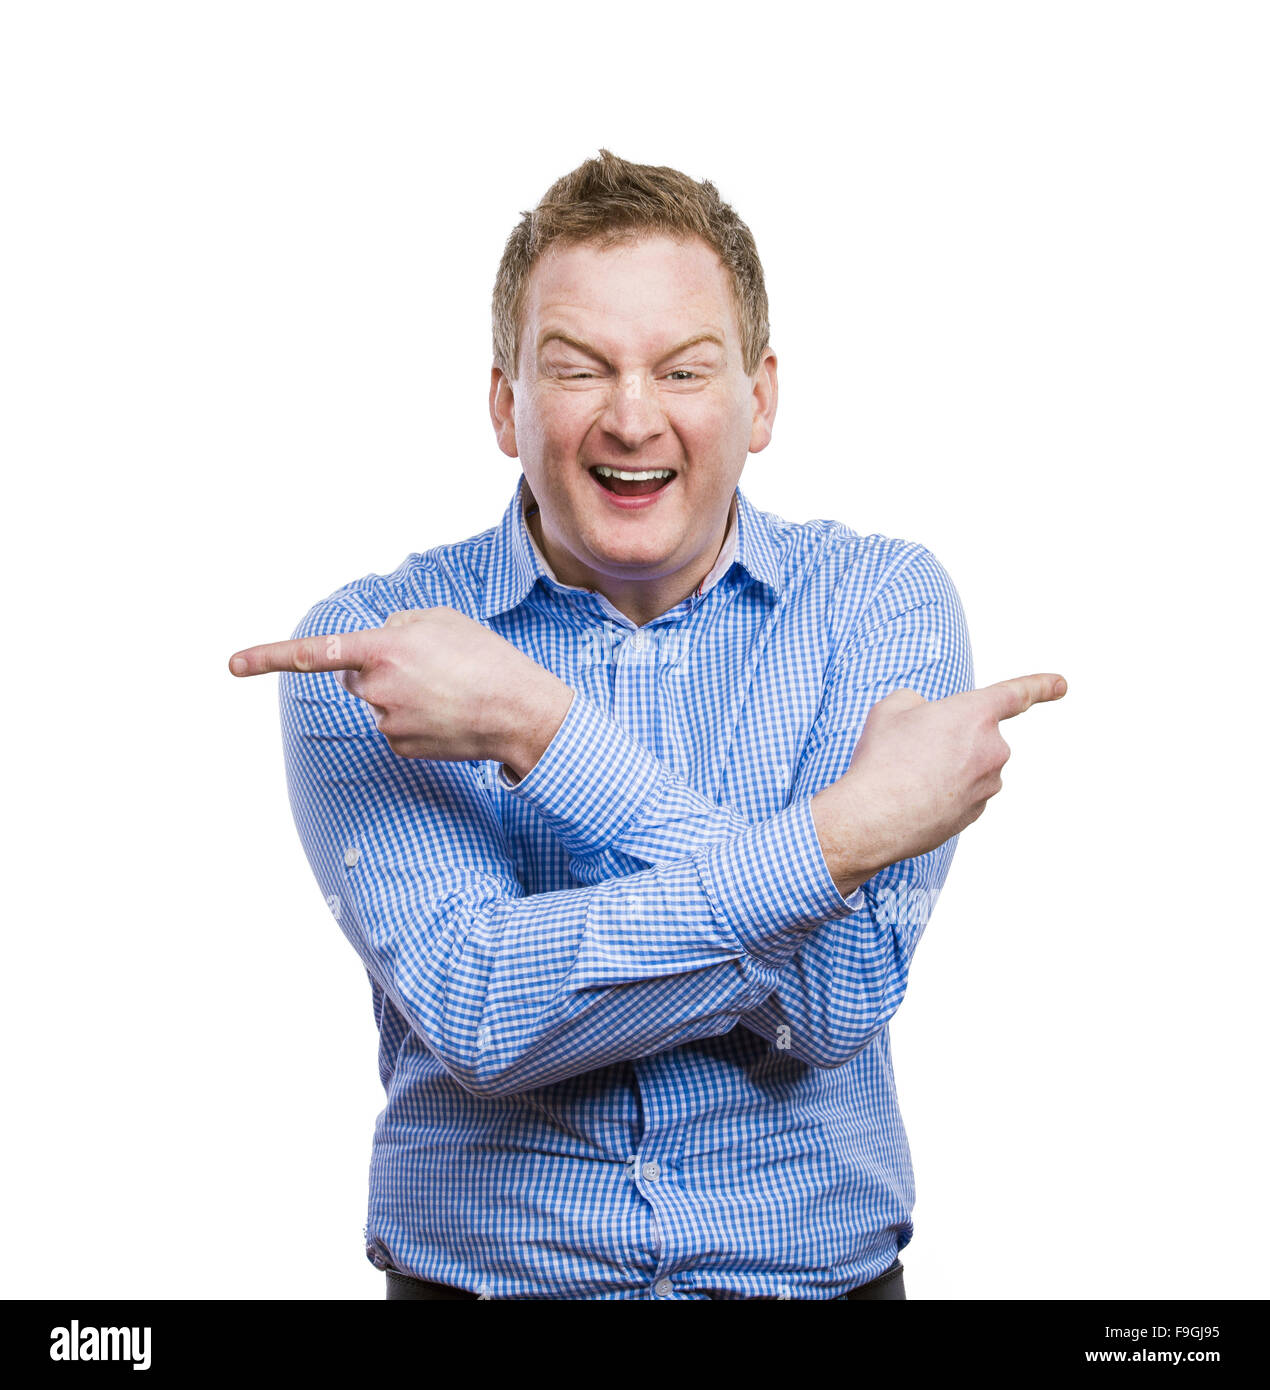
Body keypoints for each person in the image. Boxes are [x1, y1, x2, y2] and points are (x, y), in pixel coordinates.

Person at [228, 149, 1066, 1300]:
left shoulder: (880, 604)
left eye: (682, 369)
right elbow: (477, 1011)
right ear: (504, 403)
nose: (632, 418)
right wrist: (835, 838)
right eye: (578, 370)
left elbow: (833, 1001)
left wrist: (536, 730)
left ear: (758, 397)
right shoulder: (369, 648)